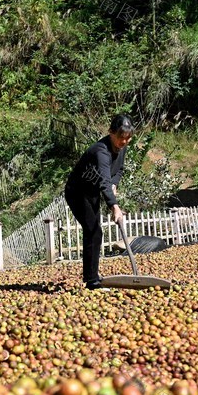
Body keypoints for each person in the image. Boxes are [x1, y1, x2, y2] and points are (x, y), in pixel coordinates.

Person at [64, 114, 135, 290]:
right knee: (94, 231)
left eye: (127, 138)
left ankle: (92, 277)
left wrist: (114, 184)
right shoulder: (100, 151)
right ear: (111, 132)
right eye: (120, 138)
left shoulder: (122, 146)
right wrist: (115, 207)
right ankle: (92, 281)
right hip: (77, 192)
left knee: (95, 233)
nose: (124, 142)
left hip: (93, 192)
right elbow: (104, 180)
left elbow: (119, 170)